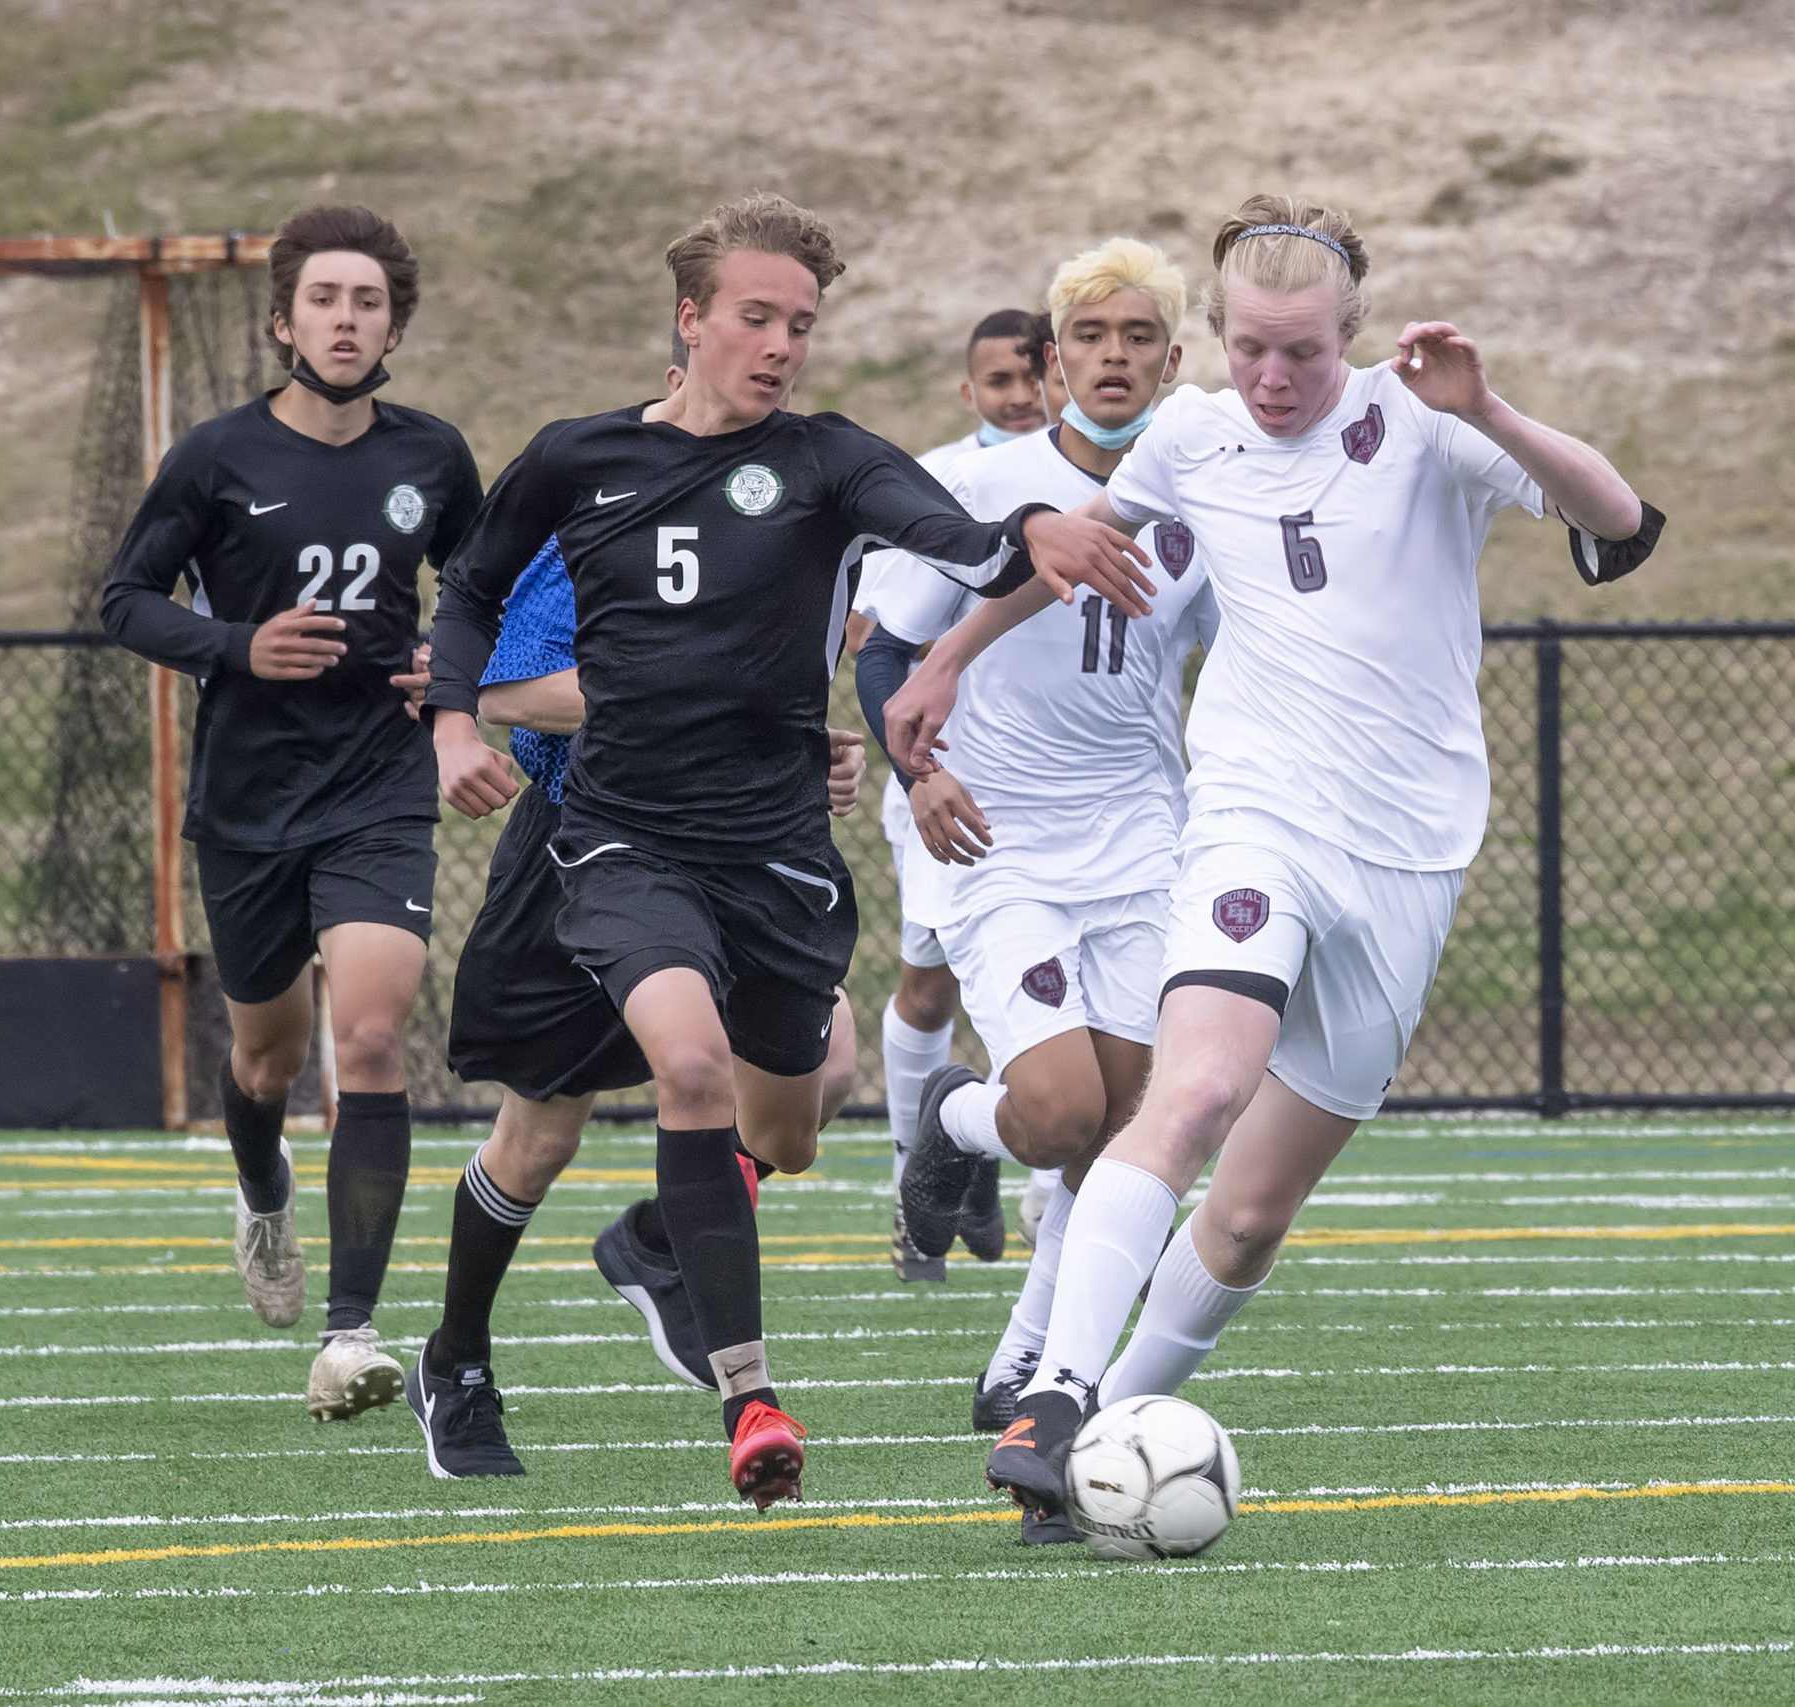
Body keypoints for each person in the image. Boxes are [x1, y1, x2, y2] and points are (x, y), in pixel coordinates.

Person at [886, 196, 1663, 1519]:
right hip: (1255, 812)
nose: (1272, 376)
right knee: (1189, 1094)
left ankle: (1100, 1430)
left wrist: (1490, 408)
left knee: (1245, 1217)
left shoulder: (1425, 424)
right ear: (1220, 333)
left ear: (1350, 334)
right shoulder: (1191, 434)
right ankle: (1057, 1394)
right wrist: (949, 655)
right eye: (1248, 346)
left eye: (1301, 351)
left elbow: (1624, 523)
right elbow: (1091, 553)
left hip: (1409, 855)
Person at [423, 192, 1151, 1509]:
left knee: (795, 1120)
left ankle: (654, 1251)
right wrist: (449, 721)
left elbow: (958, 540)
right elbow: (473, 587)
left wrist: (1031, 534)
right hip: (620, 838)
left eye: (801, 324)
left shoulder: (826, 461)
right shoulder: (578, 458)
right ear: (691, 319)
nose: (781, 344)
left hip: (771, 852)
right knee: (652, 1081)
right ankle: (705, 1391)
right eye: (756, 317)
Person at [99, 204, 480, 1424]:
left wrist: (449, 668)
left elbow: (484, 596)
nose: (347, 319)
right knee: (264, 1053)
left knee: (368, 1039)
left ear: (395, 325)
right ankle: (262, 1196)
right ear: (283, 320)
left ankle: (351, 1333)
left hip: (377, 791)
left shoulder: (433, 459)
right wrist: (234, 647)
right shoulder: (216, 459)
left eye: (369, 302)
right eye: (325, 298)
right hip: (252, 798)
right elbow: (124, 599)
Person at [867, 245, 1212, 1542]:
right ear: (1052, 355)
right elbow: (892, 649)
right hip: (1000, 840)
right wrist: (921, 769)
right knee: (1062, 1108)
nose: (1114, 353)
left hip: (1144, 848)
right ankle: (949, 1125)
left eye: (1140, 335)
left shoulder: (1201, 500)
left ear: (1174, 362)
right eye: (1090, 333)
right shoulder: (973, 484)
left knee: (1127, 1133)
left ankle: (1027, 1374)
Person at [412, 510, 870, 1480]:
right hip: (589, 843)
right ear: (684, 365)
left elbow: (769, 693)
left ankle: (660, 1237)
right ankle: (454, 1361)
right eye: (762, 341)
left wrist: (810, 751)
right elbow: (513, 689)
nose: (779, 354)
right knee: (541, 1135)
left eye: (795, 343)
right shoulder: (601, 505)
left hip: (734, 844)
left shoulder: (785, 510)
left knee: (815, 1086)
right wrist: (668, 696)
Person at [852, 307, 1053, 1281]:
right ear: (969, 393)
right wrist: (919, 772)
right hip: (950, 783)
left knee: (1096, 1015)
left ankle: (1041, 1193)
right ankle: (916, 1179)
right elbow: (875, 641)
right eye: (998, 383)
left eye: (1031, 377)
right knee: (931, 988)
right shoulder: (943, 484)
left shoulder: (1118, 483)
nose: (1019, 398)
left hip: (1079, 793)